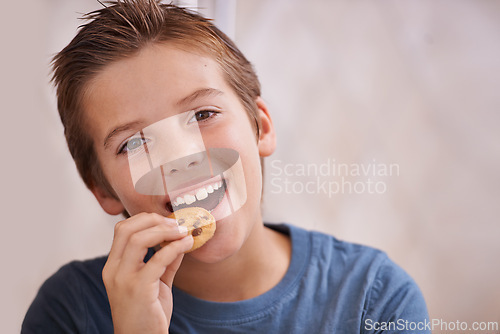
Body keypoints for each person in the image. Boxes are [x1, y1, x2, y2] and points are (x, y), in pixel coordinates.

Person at [22, 1, 430, 333]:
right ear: (103, 189)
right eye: (134, 143)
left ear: (261, 127)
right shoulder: (69, 313)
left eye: (202, 115)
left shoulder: (373, 298)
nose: (181, 159)